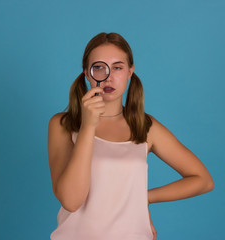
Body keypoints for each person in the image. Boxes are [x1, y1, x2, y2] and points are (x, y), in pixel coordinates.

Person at [47, 32, 214, 240]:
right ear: (87, 74)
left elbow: (203, 180)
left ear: (130, 72)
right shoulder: (62, 124)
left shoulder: (145, 127)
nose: (108, 76)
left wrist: (144, 198)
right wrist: (88, 126)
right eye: (99, 67)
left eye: (117, 67)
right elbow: (71, 200)